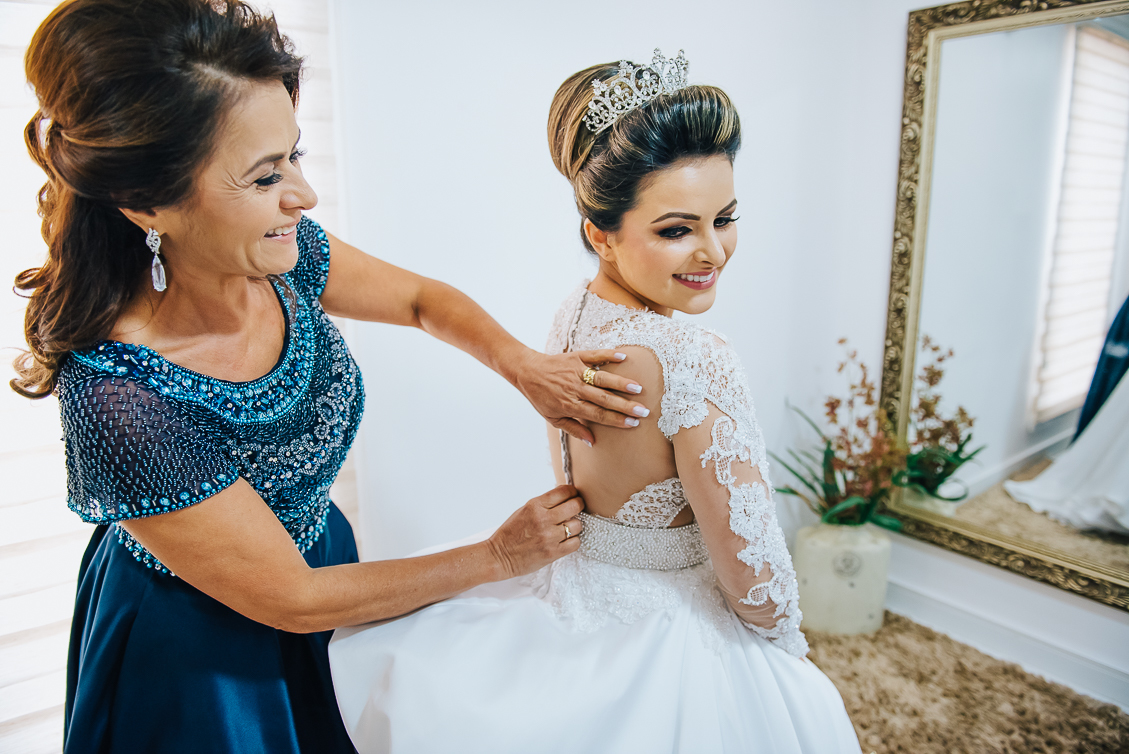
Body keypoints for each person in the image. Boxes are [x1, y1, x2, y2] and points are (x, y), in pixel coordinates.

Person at [12, 2, 653, 752]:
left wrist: (527, 368)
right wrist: (498, 558)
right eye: (262, 177)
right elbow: (291, 597)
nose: (302, 196)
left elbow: (421, 301)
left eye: (295, 155)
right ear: (148, 203)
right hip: (200, 658)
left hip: (323, 567)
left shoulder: (282, 255)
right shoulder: (119, 397)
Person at [328, 51, 863, 753]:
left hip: (575, 583)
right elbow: (752, 578)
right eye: (676, 229)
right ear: (599, 234)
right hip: (660, 624)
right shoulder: (696, 359)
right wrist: (782, 649)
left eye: (723, 218)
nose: (713, 252)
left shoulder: (575, 314)